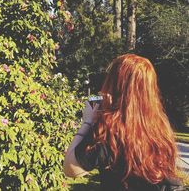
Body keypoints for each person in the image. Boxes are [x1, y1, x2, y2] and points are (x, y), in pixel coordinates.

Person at [64, 54, 184, 190]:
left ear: (114, 85)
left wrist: (87, 122)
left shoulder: (110, 128)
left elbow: (71, 169)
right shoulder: (161, 125)